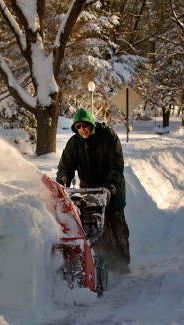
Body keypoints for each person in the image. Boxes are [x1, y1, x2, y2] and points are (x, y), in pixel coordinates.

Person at [56, 108, 131, 274]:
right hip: (90, 193)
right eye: (78, 127)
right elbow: (65, 166)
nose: (81, 130)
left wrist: (111, 184)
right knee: (96, 226)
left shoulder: (108, 137)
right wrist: (63, 179)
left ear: (91, 124)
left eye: (84, 126)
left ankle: (122, 263)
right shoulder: (74, 143)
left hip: (113, 189)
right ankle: (106, 262)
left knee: (116, 224)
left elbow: (116, 164)